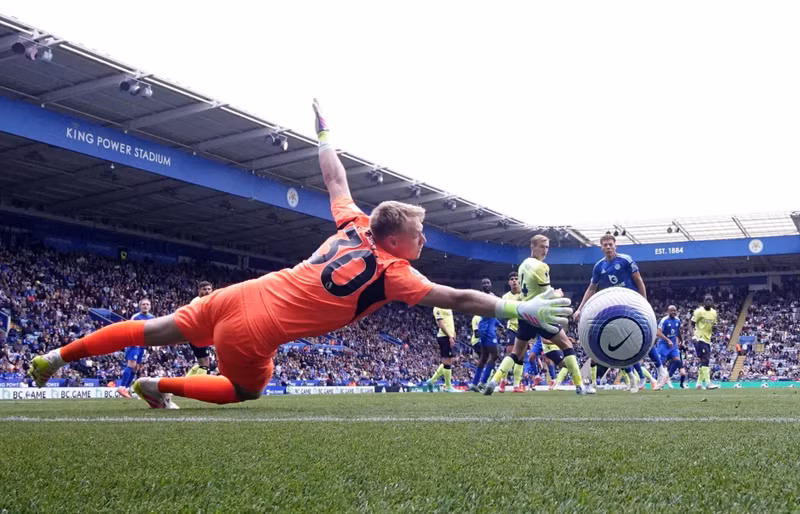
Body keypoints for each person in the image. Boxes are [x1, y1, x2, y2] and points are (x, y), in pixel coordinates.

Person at [29, 99, 572, 408]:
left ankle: (56, 356)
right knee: (245, 389)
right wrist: (515, 309)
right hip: (258, 329)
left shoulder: (355, 222)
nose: (424, 240)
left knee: (152, 329)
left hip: (242, 292)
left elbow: (334, 177)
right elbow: (458, 296)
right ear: (394, 241)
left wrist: (326, 133)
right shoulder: (395, 274)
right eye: (419, 234)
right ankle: (157, 385)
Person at [485, 235, 585, 396]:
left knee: (516, 352)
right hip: (541, 313)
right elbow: (547, 294)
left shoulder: (523, 265)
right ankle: (580, 386)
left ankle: (494, 381)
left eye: (547, 247)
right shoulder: (541, 267)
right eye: (542, 246)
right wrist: (558, 293)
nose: (545, 250)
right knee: (567, 345)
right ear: (532, 246)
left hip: (525, 313)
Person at [573, 233, 667, 393]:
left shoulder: (625, 260)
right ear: (601, 247)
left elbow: (639, 281)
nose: (608, 247)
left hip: (632, 306)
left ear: (615, 245)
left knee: (643, 335)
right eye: (605, 245)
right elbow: (591, 288)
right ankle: (635, 378)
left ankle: (660, 370)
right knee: (622, 342)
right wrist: (580, 308)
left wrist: (644, 302)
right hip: (615, 307)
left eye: (611, 244)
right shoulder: (599, 267)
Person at [116, 298, 154, 399]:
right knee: (131, 365)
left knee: (136, 368)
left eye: (147, 304)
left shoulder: (152, 317)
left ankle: (127, 389)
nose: (145, 306)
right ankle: (122, 386)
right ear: (140, 306)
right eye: (143, 304)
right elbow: (128, 329)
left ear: (150, 306)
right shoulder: (136, 317)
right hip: (134, 344)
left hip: (142, 346)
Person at [468, 278, 501, 392]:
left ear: (491, 284)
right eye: (484, 284)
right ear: (481, 286)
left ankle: (474, 383)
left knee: (484, 356)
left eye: (488, 283)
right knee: (495, 355)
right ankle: (483, 382)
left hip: (488, 326)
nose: (487, 285)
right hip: (486, 328)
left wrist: (499, 324)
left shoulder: (492, 295)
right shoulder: (481, 297)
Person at [500, 272, 525, 392]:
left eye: (516, 279)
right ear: (509, 282)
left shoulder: (525, 295)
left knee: (521, 357)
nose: (514, 281)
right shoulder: (505, 297)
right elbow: (503, 315)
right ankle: (502, 381)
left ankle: (516, 385)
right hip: (512, 328)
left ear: (520, 281)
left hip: (525, 328)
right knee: (510, 353)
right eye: (512, 279)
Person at [424, 305, 457, 392]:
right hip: (444, 336)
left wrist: (453, 334)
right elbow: (441, 325)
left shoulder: (448, 307)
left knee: (448, 361)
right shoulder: (437, 308)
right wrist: (450, 336)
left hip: (449, 336)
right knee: (447, 361)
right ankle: (448, 386)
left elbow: (451, 322)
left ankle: (431, 381)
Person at [186, 281, 214, 376]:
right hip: (198, 334)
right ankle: (199, 384)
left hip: (198, 334)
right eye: (204, 289)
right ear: (199, 291)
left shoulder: (209, 301)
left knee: (202, 361)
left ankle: (190, 381)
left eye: (209, 289)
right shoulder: (197, 302)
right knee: (205, 362)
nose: (207, 291)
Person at [692, 294, 719, 390]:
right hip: (700, 338)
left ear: (712, 302)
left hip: (708, 339)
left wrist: (715, 329)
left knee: (703, 360)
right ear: (703, 302)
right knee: (706, 359)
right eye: (706, 300)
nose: (708, 302)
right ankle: (708, 383)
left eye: (710, 300)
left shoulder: (714, 313)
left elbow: (714, 325)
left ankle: (699, 384)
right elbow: (691, 324)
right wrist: (693, 336)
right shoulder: (699, 312)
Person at [658, 305, 688, 389]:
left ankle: (668, 377)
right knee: (661, 364)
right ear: (668, 311)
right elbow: (658, 333)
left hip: (673, 345)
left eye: (675, 310)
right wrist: (668, 340)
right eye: (671, 310)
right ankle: (659, 381)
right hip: (663, 344)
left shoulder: (678, 320)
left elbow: (678, 330)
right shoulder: (664, 320)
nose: (673, 312)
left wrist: (681, 340)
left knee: (677, 360)